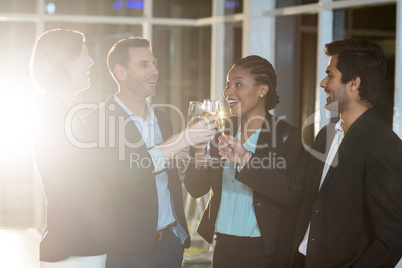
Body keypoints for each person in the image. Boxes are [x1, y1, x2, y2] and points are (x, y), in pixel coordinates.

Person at [80, 37, 216, 268]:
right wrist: (179, 142)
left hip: (169, 246)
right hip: (125, 252)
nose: (155, 71)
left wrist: (197, 150)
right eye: (144, 65)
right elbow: (122, 175)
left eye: (154, 63)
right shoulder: (95, 123)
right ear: (120, 72)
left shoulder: (164, 120)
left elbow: (174, 179)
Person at [184, 55, 306, 268]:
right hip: (222, 247)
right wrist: (199, 148)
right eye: (228, 84)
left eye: (238, 84)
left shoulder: (286, 135)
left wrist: (245, 159)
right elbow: (195, 189)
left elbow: (293, 192)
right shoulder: (220, 130)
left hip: (264, 252)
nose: (229, 91)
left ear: (262, 90)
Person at [291, 39, 402, 268]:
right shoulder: (326, 134)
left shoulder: (384, 146)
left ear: (353, 83)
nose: (323, 83)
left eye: (330, 75)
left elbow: (391, 240)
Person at [30, 29, 112, 267]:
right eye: (84, 53)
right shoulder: (55, 115)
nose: (91, 61)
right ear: (64, 60)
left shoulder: (59, 112)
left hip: (74, 242)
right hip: (76, 245)